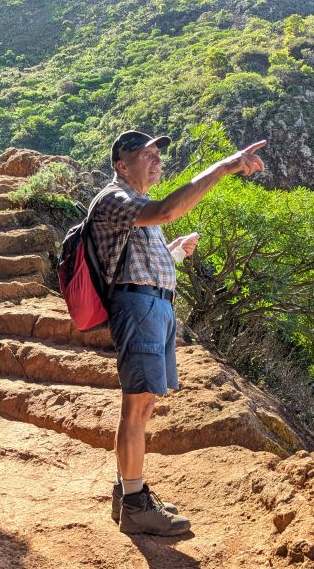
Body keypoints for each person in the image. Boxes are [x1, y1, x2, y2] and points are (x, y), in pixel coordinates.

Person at [90, 129, 266, 536]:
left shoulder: (137, 206)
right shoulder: (115, 198)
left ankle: (126, 493)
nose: (157, 159)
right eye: (146, 154)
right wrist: (223, 167)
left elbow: (139, 263)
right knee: (137, 406)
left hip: (152, 307)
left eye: (158, 153)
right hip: (138, 308)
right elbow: (168, 212)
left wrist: (173, 252)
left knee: (144, 405)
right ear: (122, 165)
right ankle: (136, 505)